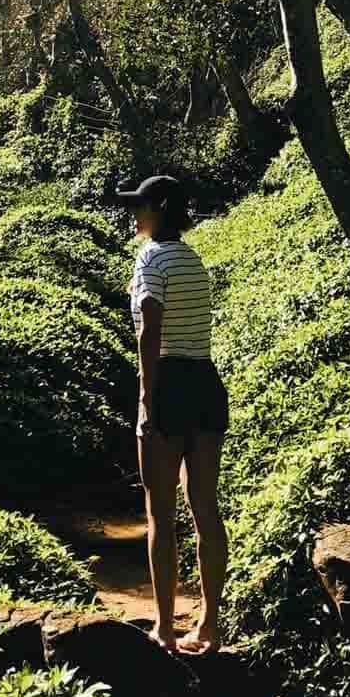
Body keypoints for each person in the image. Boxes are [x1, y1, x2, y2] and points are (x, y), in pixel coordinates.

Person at [115, 174, 229, 654]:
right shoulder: (192, 260)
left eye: (139, 206)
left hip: (168, 385)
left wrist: (147, 396)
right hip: (205, 382)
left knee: (160, 513)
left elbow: (150, 327)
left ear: (159, 208)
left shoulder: (150, 258)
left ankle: (164, 628)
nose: (133, 214)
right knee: (205, 509)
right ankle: (209, 625)